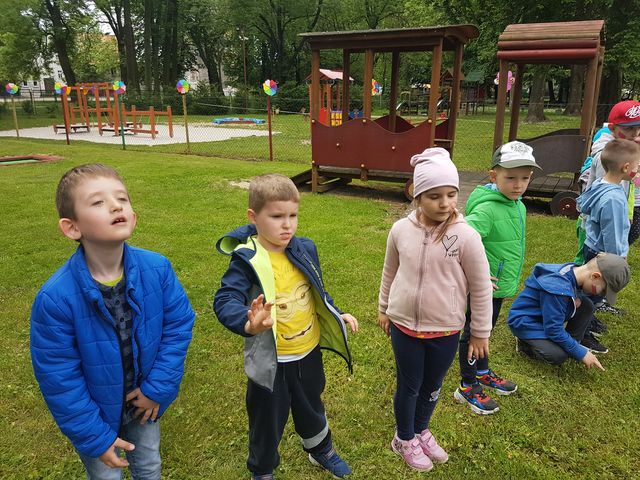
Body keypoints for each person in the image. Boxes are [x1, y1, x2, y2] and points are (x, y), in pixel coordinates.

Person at [30, 164, 196, 479]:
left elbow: (178, 326)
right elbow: (58, 375)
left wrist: (157, 389)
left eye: (122, 198)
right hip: (95, 414)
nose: (116, 206)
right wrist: (94, 435)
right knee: (106, 475)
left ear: (134, 216)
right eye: (98, 202)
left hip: (144, 402)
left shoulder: (158, 269)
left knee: (149, 466)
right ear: (72, 228)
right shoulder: (56, 298)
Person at [213, 174, 358, 480]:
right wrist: (248, 321)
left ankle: (320, 449)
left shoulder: (304, 248)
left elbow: (317, 289)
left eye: (293, 215)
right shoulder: (246, 259)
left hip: (308, 352)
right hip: (271, 362)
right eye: (277, 216)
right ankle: (263, 469)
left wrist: (336, 312)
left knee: (311, 406)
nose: (287, 225)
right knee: (266, 419)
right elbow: (225, 299)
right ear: (253, 217)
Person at [378, 148, 493, 472]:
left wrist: (480, 332)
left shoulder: (467, 237)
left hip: (445, 329)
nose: (445, 203)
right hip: (404, 327)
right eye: (434, 196)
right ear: (417, 195)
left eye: (451, 194)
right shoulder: (400, 230)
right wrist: (384, 308)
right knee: (409, 385)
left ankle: (421, 430)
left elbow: (481, 286)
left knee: (432, 387)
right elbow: (389, 271)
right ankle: (404, 437)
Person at [455, 141, 541, 415]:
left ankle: (482, 371)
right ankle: (467, 385)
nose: (518, 185)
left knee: (486, 330)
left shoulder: (517, 205)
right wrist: (473, 276)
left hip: (498, 287)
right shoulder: (488, 210)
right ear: (493, 176)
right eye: (511, 177)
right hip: (483, 288)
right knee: (474, 332)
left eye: (525, 178)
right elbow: (457, 240)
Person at [508, 253, 629, 369]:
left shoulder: (574, 271)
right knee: (558, 355)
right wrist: (581, 353)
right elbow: (553, 330)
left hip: (545, 316)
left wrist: (575, 296)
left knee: (587, 305)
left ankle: (569, 343)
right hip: (527, 323)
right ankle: (525, 342)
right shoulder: (557, 289)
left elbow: (570, 290)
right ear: (595, 276)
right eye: (602, 291)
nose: (600, 295)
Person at [577, 138, 640, 352]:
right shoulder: (613, 198)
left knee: (590, 292)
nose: (638, 170)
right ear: (626, 168)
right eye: (637, 165)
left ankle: (586, 323)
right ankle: (581, 334)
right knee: (593, 294)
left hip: (593, 247)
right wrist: (617, 258)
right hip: (604, 256)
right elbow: (612, 232)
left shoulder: (602, 185)